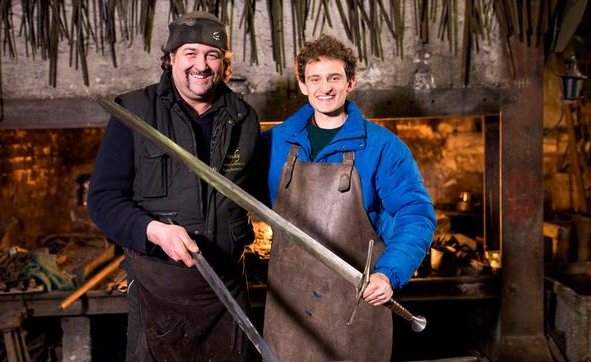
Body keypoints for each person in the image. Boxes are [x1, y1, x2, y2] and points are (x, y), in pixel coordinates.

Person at [87, 11, 266, 361]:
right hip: (160, 291)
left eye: (212, 55)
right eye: (190, 53)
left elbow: (262, 192)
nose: (201, 64)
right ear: (171, 59)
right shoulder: (135, 112)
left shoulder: (243, 119)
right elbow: (103, 201)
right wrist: (154, 231)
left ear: (223, 63)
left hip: (226, 289)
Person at [262, 35, 437, 361]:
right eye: (315, 78)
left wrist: (389, 273)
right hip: (288, 309)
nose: (324, 88)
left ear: (350, 82)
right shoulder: (275, 142)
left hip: (354, 308)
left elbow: (415, 214)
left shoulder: (383, 147)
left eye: (334, 78)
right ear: (302, 84)